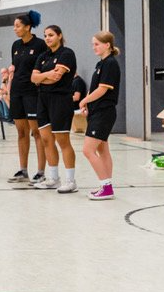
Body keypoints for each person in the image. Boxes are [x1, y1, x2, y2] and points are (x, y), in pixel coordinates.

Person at [30, 25, 79, 193]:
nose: (47, 38)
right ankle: (53, 178)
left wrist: (42, 77)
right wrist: (45, 76)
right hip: (42, 99)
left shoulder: (67, 54)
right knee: (46, 139)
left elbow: (56, 79)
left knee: (63, 141)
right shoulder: (43, 56)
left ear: (59, 35)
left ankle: (70, 181)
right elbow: (33, 78)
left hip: (60, 99)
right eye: (45, 35)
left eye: (51, 35)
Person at [78, 31, 122, 200]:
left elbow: (102, 89)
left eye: (97, 44)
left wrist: (83, 101)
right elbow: (94, 87)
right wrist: (88, 104)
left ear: (107, 45)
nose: (93, 47)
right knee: (103, 149)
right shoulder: (101, 64)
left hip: (104, 112)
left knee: (88, 150)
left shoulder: (110, 63)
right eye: (93, 44)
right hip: (97, 111)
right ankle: (106, 185)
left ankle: (106, 187)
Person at [7, 12, 49, 184]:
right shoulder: (15, 45)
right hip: (17, 92)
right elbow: (15, 68)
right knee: (21, 132)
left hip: (33, 93)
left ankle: (40, 171)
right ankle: (23, 170)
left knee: (37, 132)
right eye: (14, 26)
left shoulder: (40, 45)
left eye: (18, 26)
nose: (15, 29)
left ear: (27, 27)